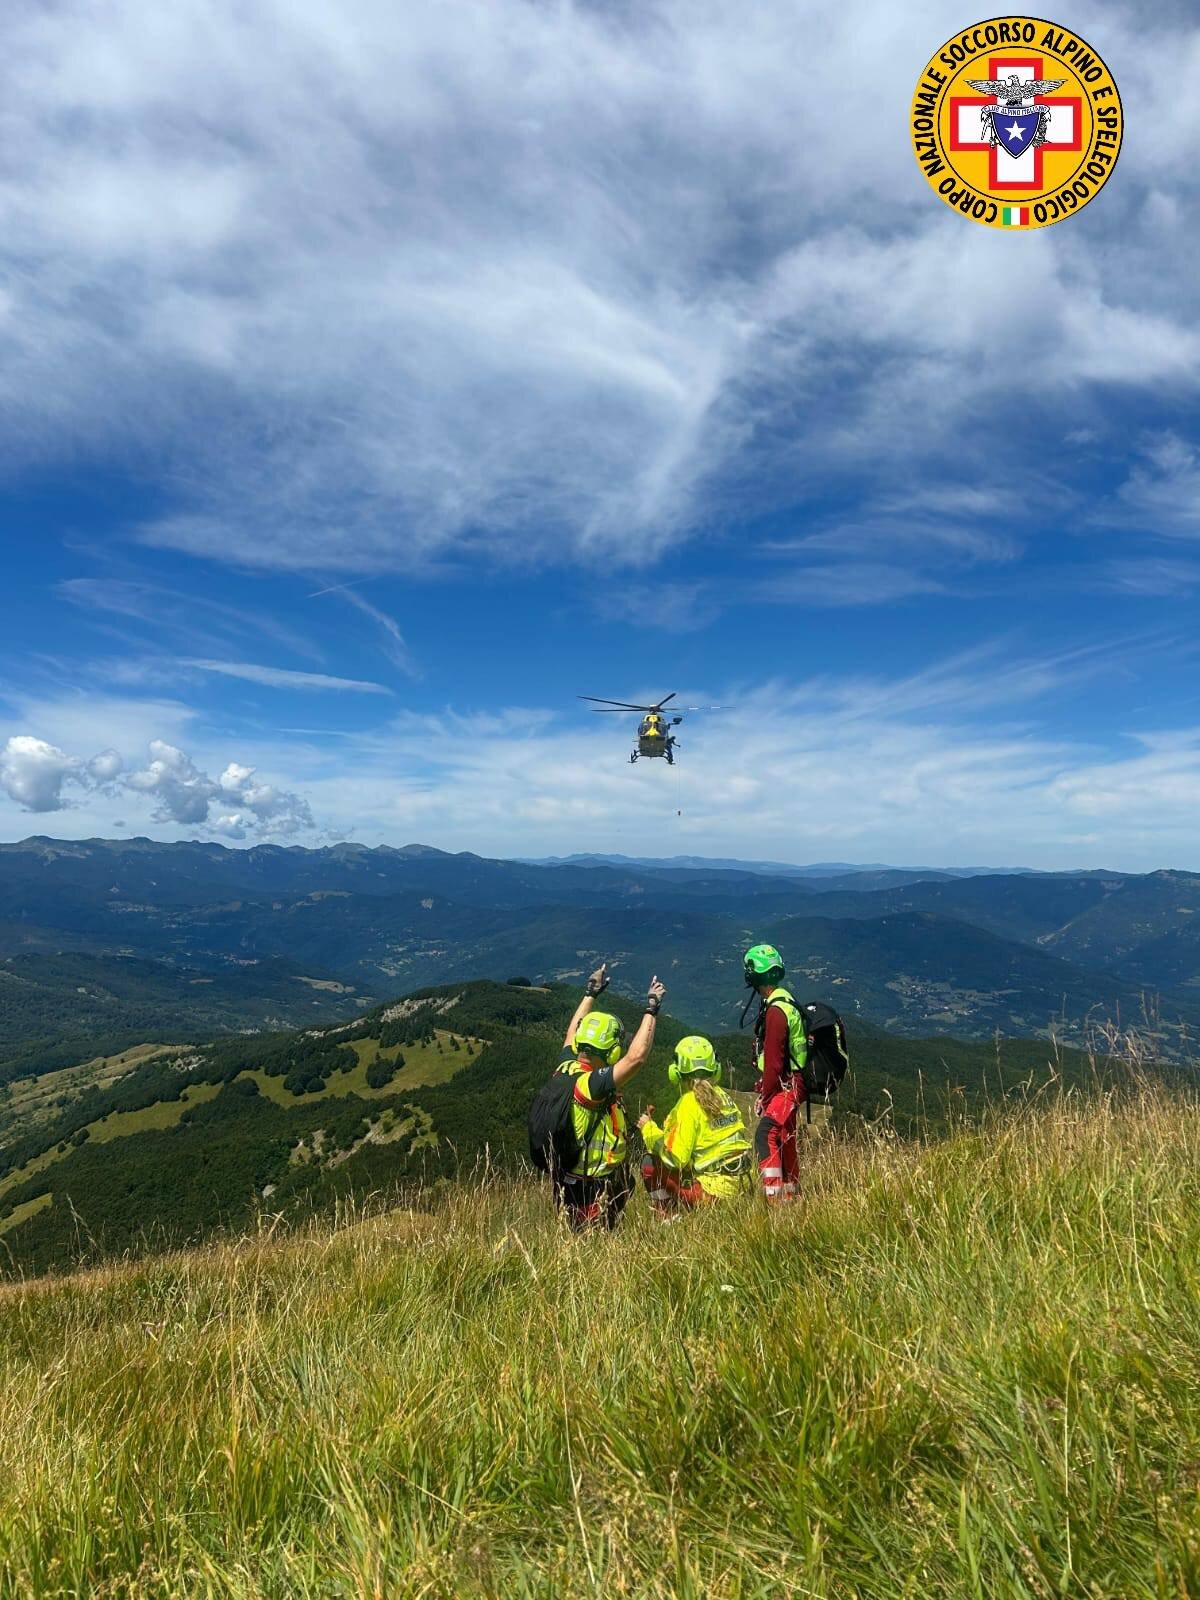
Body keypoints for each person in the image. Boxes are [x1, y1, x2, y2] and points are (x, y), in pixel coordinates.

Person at [553, 962, 666, 1231]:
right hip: (590, 1187)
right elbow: (636, 1057)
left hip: (570, 1182)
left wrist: (590, 993)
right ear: (611, 1051)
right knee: (593, 1249)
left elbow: (571, 1034)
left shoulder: (565, 1066)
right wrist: (652, 1008)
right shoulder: (593, 1084)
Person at [637, 1035, 752, 1215]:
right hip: (744, 1185)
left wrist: (648, 1130)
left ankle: (667, 1216)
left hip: (714, 1193)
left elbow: (675, 1159)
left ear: (675, 1072)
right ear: (716, 1070)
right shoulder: (723, 1096)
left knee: (649, 1163)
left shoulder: (688, 1103)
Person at [743, 942, 807, 1204]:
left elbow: (773, 1062)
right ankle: (791, 1195)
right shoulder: (785, 999)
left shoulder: (776, 1011)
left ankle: (775, 1198)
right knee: (784, 1137)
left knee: (765, 1134)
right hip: (795, 1082)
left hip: (785, 1085)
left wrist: (766, 1096)